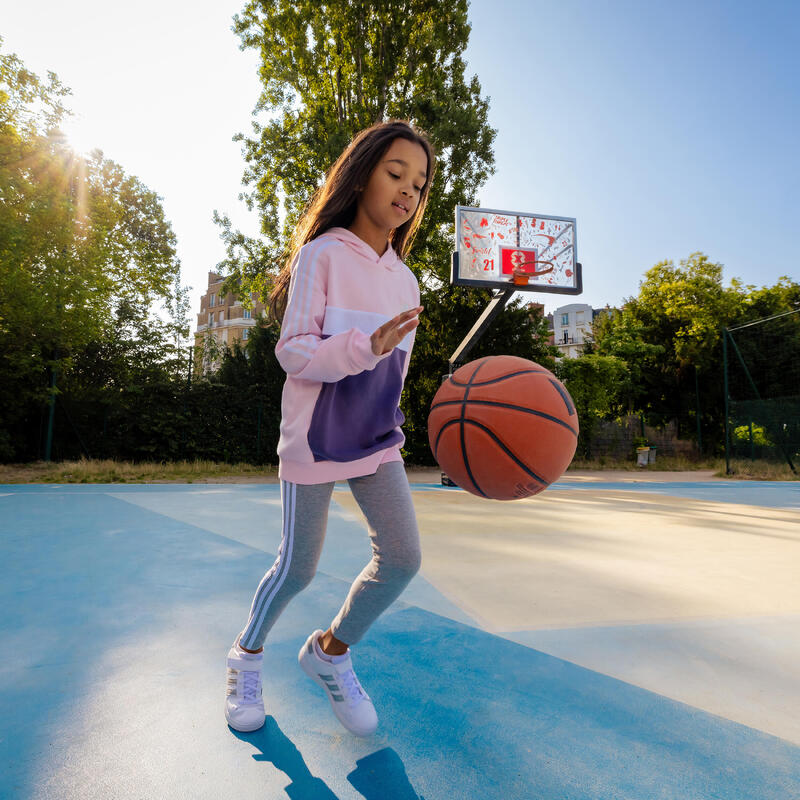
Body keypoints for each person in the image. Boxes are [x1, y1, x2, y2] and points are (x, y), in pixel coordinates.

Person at [225, 120, 435, 738]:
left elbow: (393, 370)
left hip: (376, 440)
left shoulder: (406, 280)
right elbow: (292, 352)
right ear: (363, 172)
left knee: (402, 559)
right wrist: (362, 346)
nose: (407, 192)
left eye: (419, 185)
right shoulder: (320, 255)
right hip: (316, 435)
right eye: (396, 173)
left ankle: (330, 652)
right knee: (297, 569)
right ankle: (247, 655)